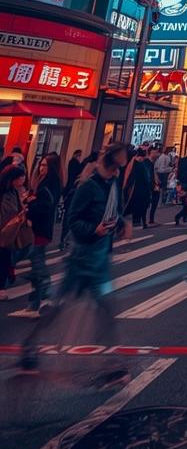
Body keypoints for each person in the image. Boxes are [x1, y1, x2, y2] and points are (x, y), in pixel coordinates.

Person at [19, 142, 132, 380]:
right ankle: (29, 347)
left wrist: (121, 223)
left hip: (99, 262)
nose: (117, 172)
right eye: (115, 167)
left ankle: (111, 362)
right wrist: (95, 230)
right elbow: (73, 221)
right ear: (107, 164)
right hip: (81, 260)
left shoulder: (111, 184)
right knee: (61, 306)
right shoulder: (89, 187)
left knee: (106, 307)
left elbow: (112, 212)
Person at [22, 152, 62, 314]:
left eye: (44, 165)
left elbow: (45, 207)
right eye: (41, 164)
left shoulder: (48, 184)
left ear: (51, 167)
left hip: (40, 227)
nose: (41, 168)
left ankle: (41, 293)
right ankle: (36, 297)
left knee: (36, 260)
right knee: (36, 259)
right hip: (42, 227)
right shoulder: (49, 183)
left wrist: (31, 207)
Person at [0, 162, 28, 297]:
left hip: (9, 231)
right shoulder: (5, 191)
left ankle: (2, 284)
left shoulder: (13, 191)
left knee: (6, 256)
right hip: (4, 229)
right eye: (20, 178)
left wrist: (22, 212)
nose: (22, 182)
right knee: (4, 257)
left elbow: (17, 208)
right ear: (13, 179)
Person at [123, 145, 153, 230]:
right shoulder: (140, 164)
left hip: (137, 189)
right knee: (138, 206)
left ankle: (139, 221)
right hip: (139, 189)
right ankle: (138, 221)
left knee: (134, 206)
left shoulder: (137, 163)